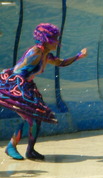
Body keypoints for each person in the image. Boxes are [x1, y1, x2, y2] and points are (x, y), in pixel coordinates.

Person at [0, 23, 87, 160]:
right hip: (16, 85)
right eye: (55, 38)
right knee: (29, 117)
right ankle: (11, 146)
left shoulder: (46, 55)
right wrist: (21, 90)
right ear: (46, 39)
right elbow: (18, 71)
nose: (57, 42)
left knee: (36, 119)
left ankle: (30, 150)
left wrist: (78, 56)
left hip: (26, 86)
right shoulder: (36, 52)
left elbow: (61, 63)